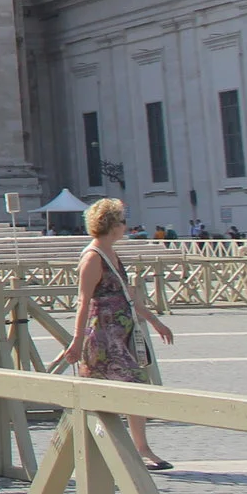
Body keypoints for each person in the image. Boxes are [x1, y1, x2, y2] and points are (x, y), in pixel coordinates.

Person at [57, 196, 176, 469]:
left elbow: (129, 295)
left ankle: (131, 449)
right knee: (126, 388)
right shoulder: (92, 257)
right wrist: (76, 341)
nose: (126, 226)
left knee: (124, 389)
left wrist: (155, 322)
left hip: (121, 334)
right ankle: (133, 449)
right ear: (111, 225)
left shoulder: (111, 252)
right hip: (103, 338)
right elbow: (83, 301)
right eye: (122, 222)